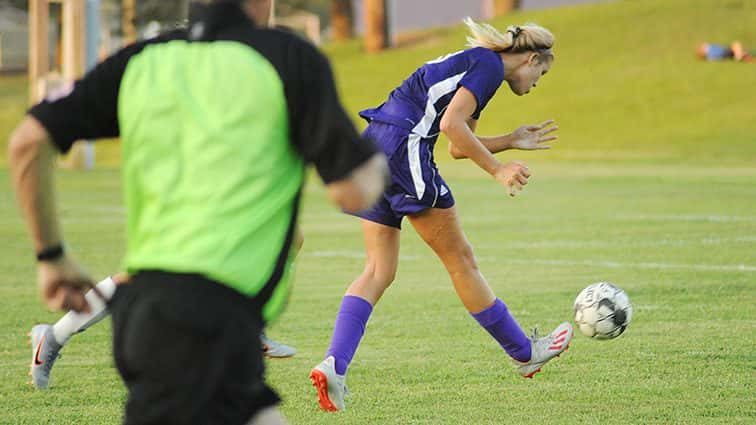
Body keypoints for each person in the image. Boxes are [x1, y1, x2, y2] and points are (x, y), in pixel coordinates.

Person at [9, 0, 388, 423]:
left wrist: (50, 257)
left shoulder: (145, 58)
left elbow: (27, 141)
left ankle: (55, 335)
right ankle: (54, 337)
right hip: (201, 323)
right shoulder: (286, 58)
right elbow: (352, 193)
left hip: (157, 317)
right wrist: (380, 156)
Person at [308, 17, 572, 412]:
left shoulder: (479, 66)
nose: (537, 84)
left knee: (378, 271)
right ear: (531, 59)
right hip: (404, 148)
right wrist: (499, 170)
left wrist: (511, 140)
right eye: (542, 73)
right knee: (461, 261)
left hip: (375, 145)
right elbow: (451, 126)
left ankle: (333, 365)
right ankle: (523, 352)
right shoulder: (486, 65)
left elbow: (457, 146)